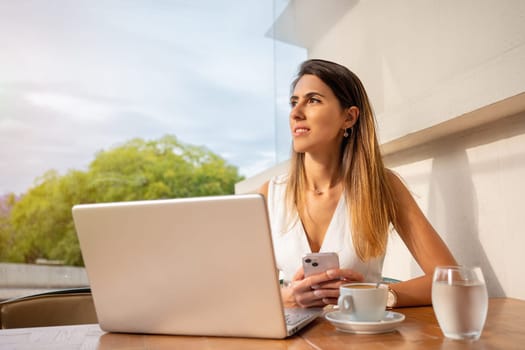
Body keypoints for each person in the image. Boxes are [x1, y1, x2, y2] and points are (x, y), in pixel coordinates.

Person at [258, 59, 457, 309]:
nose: (296, 113)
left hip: (364, 340)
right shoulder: (269, 195)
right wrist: (287, 297)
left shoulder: (383, 186)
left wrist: (373, 295)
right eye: (294, 102)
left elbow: (451, 280)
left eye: (313, 100)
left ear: (349, 117)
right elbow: (234, 289)